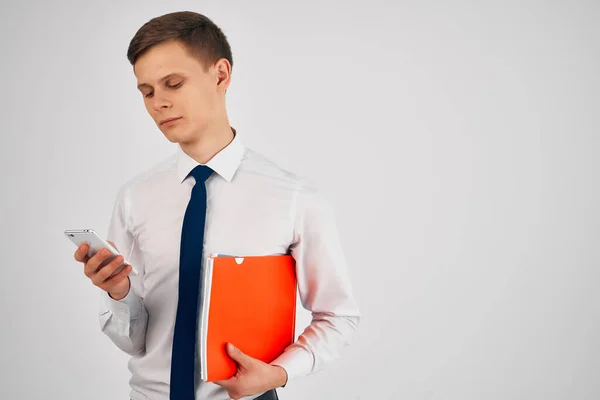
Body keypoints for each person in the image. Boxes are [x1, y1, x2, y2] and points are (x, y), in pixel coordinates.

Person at [73, 10, 360, 400]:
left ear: (221, 74)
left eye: (173, 83)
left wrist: (278, 373)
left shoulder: (294, 198)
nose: (159, 103)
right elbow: (134, 342)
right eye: (147, 91)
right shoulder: (135, 198)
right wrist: (120, 293)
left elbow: (337, 316)